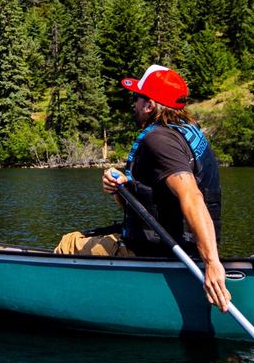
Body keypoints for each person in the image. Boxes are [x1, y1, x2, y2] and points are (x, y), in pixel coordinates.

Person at [54, 65, 231, 311]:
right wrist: (122, 188)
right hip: (179, 243)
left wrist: (212, 264)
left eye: (137, 97)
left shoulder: (159, 140)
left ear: (149, 105)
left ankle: (73, 308)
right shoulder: (188, 131)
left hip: (160, 251)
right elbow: (158, 199)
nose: (134, 104)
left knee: (69, 243)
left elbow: (192, 196)